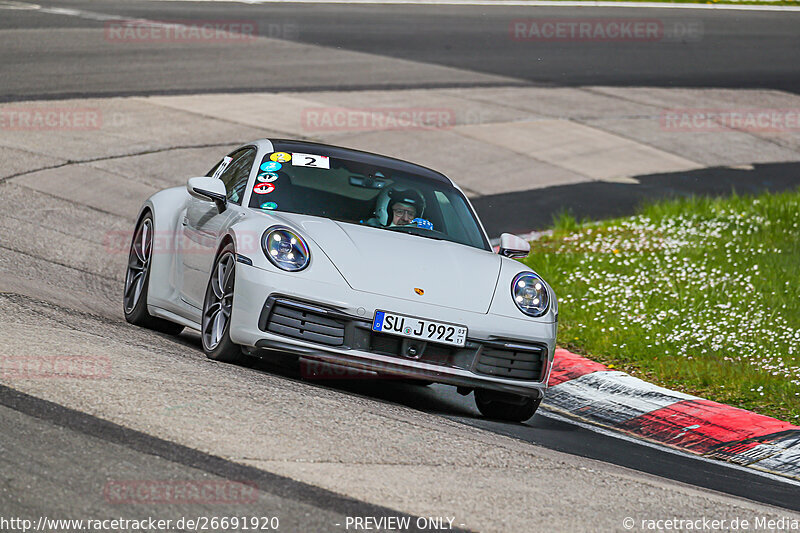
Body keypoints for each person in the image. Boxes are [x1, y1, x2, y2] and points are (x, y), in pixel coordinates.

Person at [364, 186, 430, 228]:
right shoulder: (368, 232)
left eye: (410, 214)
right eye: (399, 212)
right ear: (383, 211)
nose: (405, 219)